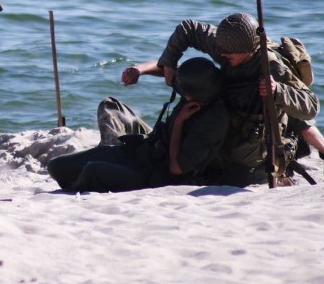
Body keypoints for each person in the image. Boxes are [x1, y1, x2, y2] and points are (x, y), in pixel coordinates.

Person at [125, 12, 324, 186]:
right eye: (220, 51)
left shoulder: (271, 65)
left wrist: (278, 90)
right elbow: (188, 28)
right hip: (232, 105)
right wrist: (170, 61)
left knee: (288, 113)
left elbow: (310, 106)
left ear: (249, 50)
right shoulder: (226, 44)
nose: (221, 56)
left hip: (259, 124)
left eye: (228, 55)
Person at [47, 57, 229, 192]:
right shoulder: (196, 85)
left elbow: (176, 168)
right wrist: (139, 70)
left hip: (156, 175)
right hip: (143, 151)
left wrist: (179, 122)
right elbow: (165, 67)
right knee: (57, 167)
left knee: (92, 171)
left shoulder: (213, 121)